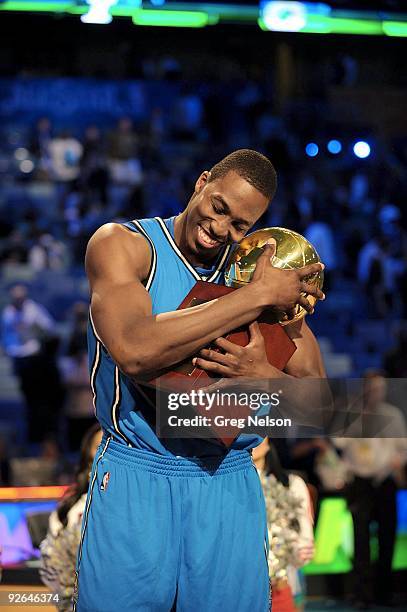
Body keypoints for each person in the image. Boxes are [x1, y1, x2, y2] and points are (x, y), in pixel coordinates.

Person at [75, 149, 326, 612]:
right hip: (138, 472)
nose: (221, 229)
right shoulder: (124, 246)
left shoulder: (257, 268)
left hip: (228, 478)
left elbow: (317, 409)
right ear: (201, 182)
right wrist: (256, 298)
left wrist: (262, 377)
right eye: (218, 207)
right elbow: (134, 350)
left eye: (240, 226)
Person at [333, 371, 407, 609]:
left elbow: (404, 448)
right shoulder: (352, 414)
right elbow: (338, 442)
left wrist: (397, 461)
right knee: (361, 539)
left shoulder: (393, 415)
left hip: (385, 480)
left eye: (381, 388)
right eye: (372, 388)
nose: (376, 393)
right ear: (364, 389)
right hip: (360, 482)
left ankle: (384, 592)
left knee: (387, 538)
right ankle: (361, 593)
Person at [40, 424, 102, 611]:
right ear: (88, 455)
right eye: (99, 446)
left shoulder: (137, 502)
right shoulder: (71, 507)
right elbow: (52, 560)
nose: (106, 452)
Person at [253, 438, 314, 612]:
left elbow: (304, 539)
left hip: (282, 582)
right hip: (239, 586)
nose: (251, 439)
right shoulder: (226, 487)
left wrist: (299, 551)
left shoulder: (292, 484)